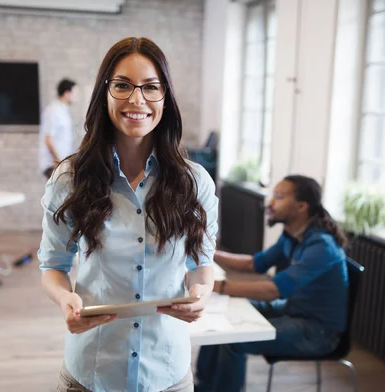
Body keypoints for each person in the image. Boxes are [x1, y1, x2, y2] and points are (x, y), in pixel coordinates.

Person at [38, 37, 219, 392]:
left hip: (167, 372)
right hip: (91, 372)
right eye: (122, 86)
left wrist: (202, 293)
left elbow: (202, 263)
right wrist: (65, 299)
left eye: (151, 87)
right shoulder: (69, 178)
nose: (137, 100)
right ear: (103, 92)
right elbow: (52, 268)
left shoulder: (195, 182)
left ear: (165, 97)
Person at [194, 175, 349, 392]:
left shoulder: (321, 246)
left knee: (233, 340)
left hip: (317, 332)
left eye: (279, 197)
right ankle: (203, 386)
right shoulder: (292, 235)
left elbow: (274, 289)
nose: (270, 203)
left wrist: (216, 285)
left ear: (301, 207)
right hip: (293, 310)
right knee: (223, 318)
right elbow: (254, 264)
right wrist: (208, 252)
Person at [39, 78, 79, 179]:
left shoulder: (63, 111)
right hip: (53, 164)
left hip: (62, 164)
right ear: (67, 93)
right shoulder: (53, 111)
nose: (77, 96)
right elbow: (48, 140)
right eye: (75, 92)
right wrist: (60, 163)